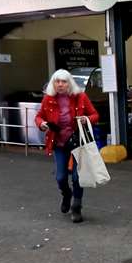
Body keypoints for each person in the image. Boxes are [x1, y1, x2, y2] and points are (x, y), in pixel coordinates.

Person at [34, 69, 101, 223]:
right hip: (58, 143)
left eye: (63, 81)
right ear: (53, 83)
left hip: (78, 142)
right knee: (60, 177)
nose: (60, 85)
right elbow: (39, 117)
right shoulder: (48, 99)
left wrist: (86, 119)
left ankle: (76, 207)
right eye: (57, 81)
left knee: (78, 177)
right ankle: (66, 195)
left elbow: (95, 115)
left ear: (69, 83)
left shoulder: (80, 97)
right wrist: (42, 124)